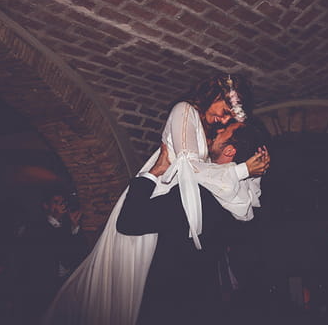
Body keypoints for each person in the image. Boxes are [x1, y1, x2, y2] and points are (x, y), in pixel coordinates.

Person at [44, 74, 270, 325]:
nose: (224, 120)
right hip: (166, 190)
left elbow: (187, 181)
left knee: (131, 283)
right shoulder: (184, 111)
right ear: (217, 94)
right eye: (226, 111)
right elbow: (188, 167)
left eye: (230, 119)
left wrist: (244, 172)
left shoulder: (210, 192)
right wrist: (244, 172)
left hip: (169, 199)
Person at [117, 120, 268, 324]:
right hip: (204, 304)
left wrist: (152, 173)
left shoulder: (196, 195)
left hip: (170, 307)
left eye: (224, 132)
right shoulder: (241, 200)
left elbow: (129, 221)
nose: (217, 132)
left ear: (230, 150)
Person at [16, 190, 88, 324]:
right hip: (44, 286)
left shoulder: (66, 224)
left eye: (62, 202)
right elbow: (49, 246)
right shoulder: (35, 227)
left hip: (67, 283)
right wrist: (57, 220)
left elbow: (76, 253)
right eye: (56, 202)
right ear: (46, 206)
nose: (61, 205)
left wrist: (75, 227)